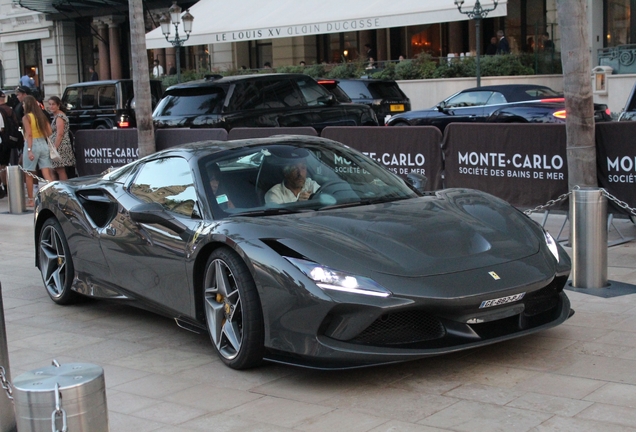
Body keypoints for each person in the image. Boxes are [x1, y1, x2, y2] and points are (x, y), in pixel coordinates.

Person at [22, 95, 54, 208]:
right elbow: (49, 131)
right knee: (46, 173)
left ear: (28, 105)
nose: (23, 105)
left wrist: (29, 150)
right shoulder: (41, 116)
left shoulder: (27, 117)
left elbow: (29, 134)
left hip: (32, 144)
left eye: (24, 104)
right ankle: (53, 195)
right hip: (43, 143)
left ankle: (31, 200)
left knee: (29, 174)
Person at [47, 96, 75, 181]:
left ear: (58, 105)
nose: (51, 106)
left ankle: (63, 189)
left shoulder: (60, 117)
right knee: (55, 169)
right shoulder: (57, 116)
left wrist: (55, 147)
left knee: (60, 170)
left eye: (53, 104)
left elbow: (60, 133)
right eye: (50, 104)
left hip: (60, 146)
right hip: (59, 145)